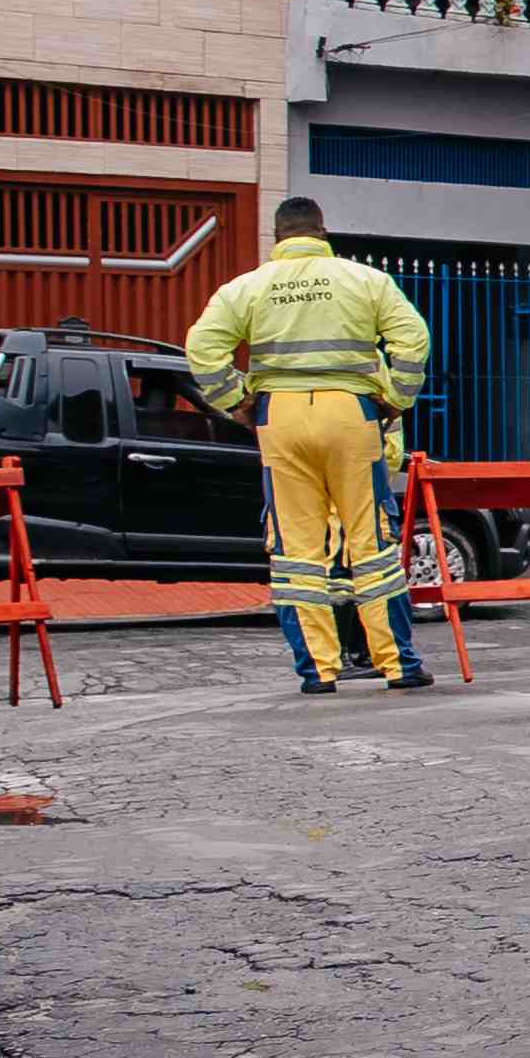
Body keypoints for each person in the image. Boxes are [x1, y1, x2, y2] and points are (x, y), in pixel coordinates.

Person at [181, 200, 434, 692]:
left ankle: (318, 671)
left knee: (296, 554)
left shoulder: (246, 287)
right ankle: (398, 665)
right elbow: (413, 339)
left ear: (277, 237)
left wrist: (236, 402)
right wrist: (397, 399)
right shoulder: (366, 280)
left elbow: (202, 349)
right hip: (351, 414)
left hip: (281, 417)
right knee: (372, 545)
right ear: (323, 232)